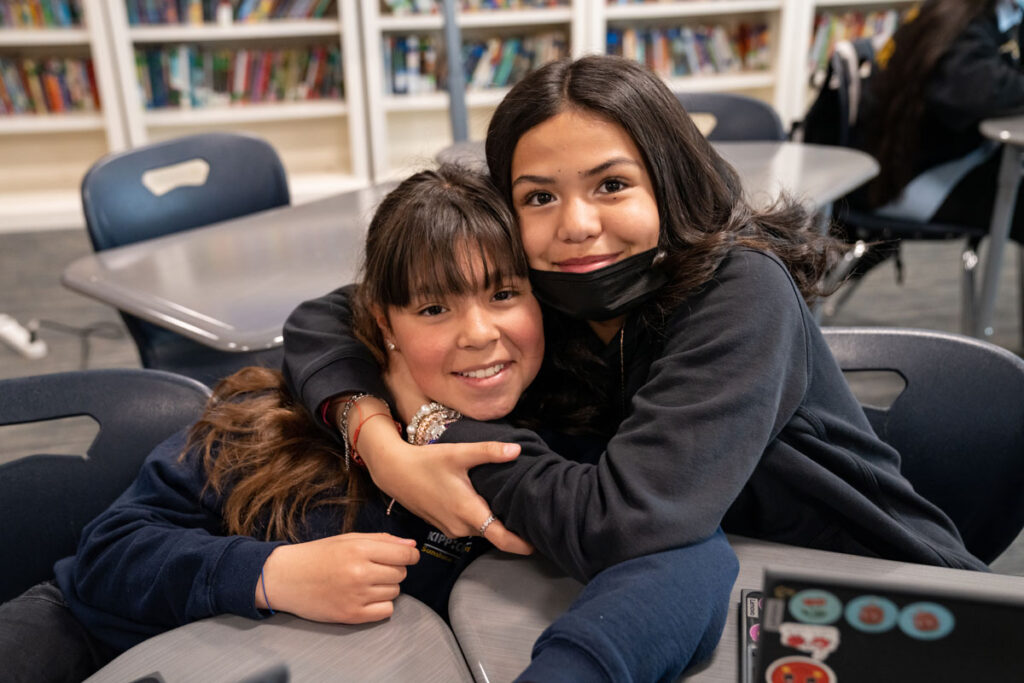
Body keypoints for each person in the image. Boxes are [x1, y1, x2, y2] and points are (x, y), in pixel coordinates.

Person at [0, 164, 736, 683]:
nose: (479, 334)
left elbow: (678, 549)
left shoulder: (559, 447)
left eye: (505, 293)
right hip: (88, 639)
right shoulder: (277, 414)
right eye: (434, 308)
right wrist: (271, 574)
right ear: (383, 324)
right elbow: (105, 557)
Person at [282, 54, 987, 578]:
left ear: (670, 183)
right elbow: (332, 314)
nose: (577, 226)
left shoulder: (741, 290)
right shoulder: (543, 291)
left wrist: (434, 420)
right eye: (538, 197)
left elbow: (618, 522)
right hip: (722, 579)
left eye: (612, 185)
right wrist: (382, 444)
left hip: (877, 590)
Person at [851, 0, 1024, 241]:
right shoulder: (959, 22)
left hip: (933, 159)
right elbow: (979, 90)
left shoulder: (977, 14)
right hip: (903, 180)